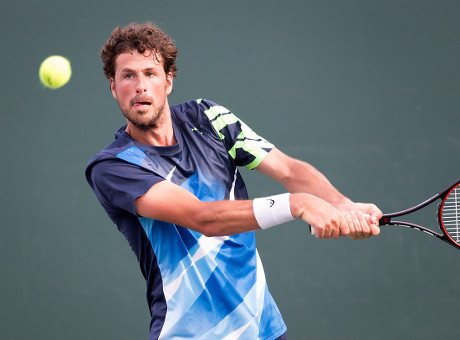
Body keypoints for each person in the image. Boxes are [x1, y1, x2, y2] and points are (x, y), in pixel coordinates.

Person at [85, 22, 382, 340]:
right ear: (114, 87)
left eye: (150, 73)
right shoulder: (113, 167)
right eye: (128, 75)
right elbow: (203, 218)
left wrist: (344, 206)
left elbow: (289, 171)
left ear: (168, 81)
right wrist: (298, 204)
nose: (140, 86)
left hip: (263, 329)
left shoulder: (209, 118)